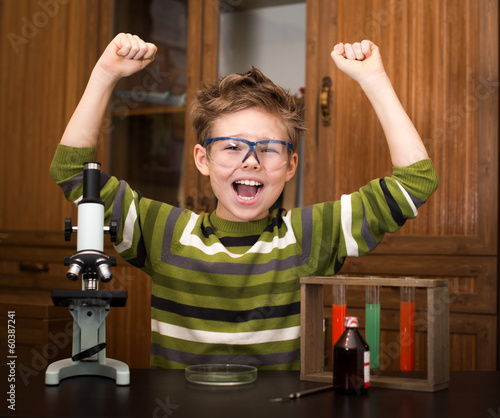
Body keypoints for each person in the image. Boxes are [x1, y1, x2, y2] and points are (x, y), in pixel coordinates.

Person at [50, 33, 438, 370]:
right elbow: (72, 170)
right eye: (232, 146)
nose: (251, 160)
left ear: (290, 166)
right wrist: (105, 74)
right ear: (203, 159)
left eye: (269, 149)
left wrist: (375, 81)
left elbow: (416, 181)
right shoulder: (163, 232)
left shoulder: (310, 234)